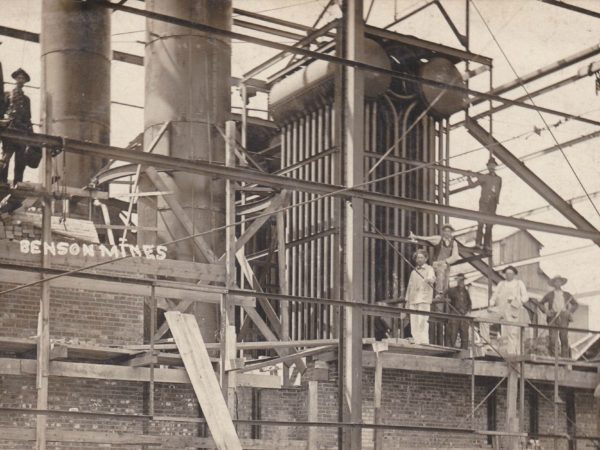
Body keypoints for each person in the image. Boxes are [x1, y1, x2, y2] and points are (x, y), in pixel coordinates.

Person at [410, 224, 459, 345]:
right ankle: (438, 294)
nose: (447, 233)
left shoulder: (454, 243)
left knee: (445, 281)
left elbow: (455, 256)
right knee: (440, 276)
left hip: (446, 264)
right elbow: (427, 238)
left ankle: (441, 300)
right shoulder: (438, 239)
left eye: (449, 231)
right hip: (437, 264)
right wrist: (415, 236)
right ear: (443, 232)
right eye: (445, 231)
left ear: (451, 233)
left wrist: (447, 261)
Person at [475, 266, 528, 345]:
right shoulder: (501, 284)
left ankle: (513, 352)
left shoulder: (519, 283)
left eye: (510, 273)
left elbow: (525, 297)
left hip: (512, 309)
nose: (508, 275)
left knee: (512, 332)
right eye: (506, 273)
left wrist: (516, 300)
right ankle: (485, 340)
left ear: (514, 274)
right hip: (501, 308)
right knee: (483, 317)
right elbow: (494, 296)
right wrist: (491, 304)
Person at [0, 68, 33, 186]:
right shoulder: (7, 95)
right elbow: (2, 111)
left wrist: (31, 136)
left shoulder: (26, 99)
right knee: (6, 157)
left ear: (25, 82)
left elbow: (28, 118)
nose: (20, 80)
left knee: (20, 160)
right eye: (19, 78)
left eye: (22, 78)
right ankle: (2, 181)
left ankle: (17, 183)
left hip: (22, 132)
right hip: (10, 130)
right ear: (15, 79)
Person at [539, 275, 578, 358]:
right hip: (553, 317)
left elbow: (575, 304)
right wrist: (546, 311)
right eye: (555, 282)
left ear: (561, 283)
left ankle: (565, 360)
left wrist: (569, 312)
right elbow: (540, 303)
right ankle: (554, 359)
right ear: (553, 284)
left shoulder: (567, 295)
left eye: (559, 281)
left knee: (564, 338)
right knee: (552, 339)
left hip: (563, 318)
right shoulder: (549, 294)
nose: (557, 283)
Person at [469, 157, 502, 252]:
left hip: (492, 203)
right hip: (484, 203)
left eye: (493, 165)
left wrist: (496, 201)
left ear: (495, 166)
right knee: (480, 223)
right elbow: (472, 185)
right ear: (487, 167)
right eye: (490, 165)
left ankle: (487, 245)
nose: (492, 167)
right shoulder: (484, 177)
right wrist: (468, 177)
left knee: (489, 225)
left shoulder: (499, 179)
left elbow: (498, 191)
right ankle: (478, 244)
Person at [405, 249, 436, 345]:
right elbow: (409, 287)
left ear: (426, 259)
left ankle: (423, 341)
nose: (419, 259)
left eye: (421, 257)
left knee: (422, 321)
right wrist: (407, 300)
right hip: (413, 300)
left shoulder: (429, 269)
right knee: (414, 321)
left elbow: (432, 279)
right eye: (418, 257)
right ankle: (416, 340)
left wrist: (428, 279)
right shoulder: (414, 272)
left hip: (423, 299)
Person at [446, 273, 472, 349]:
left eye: (462, 281)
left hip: (464, 315)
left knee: (465, 335)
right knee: (452, 334)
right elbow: (443, 295)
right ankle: (450, 350)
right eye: (460, 281)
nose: (461, 282)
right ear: (457, 281)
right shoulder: (452, 290)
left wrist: (468, 312)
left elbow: (469, 303)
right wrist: (441, 297)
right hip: (454, 314)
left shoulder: (466, 292)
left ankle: (464, 351)